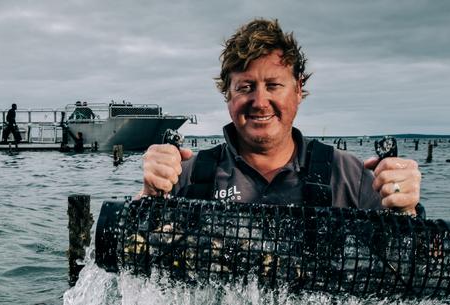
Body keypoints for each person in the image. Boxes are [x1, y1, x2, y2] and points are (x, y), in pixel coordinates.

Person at [139, 18, 422, 216]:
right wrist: (150, 194)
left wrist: (406, 208)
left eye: (273, 85)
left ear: (299, 90)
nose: (260, 102)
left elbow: (422, 267)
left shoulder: (352, 179)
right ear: (228, 94)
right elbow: (134, 255)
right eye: (245, 87)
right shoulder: (187, 178)